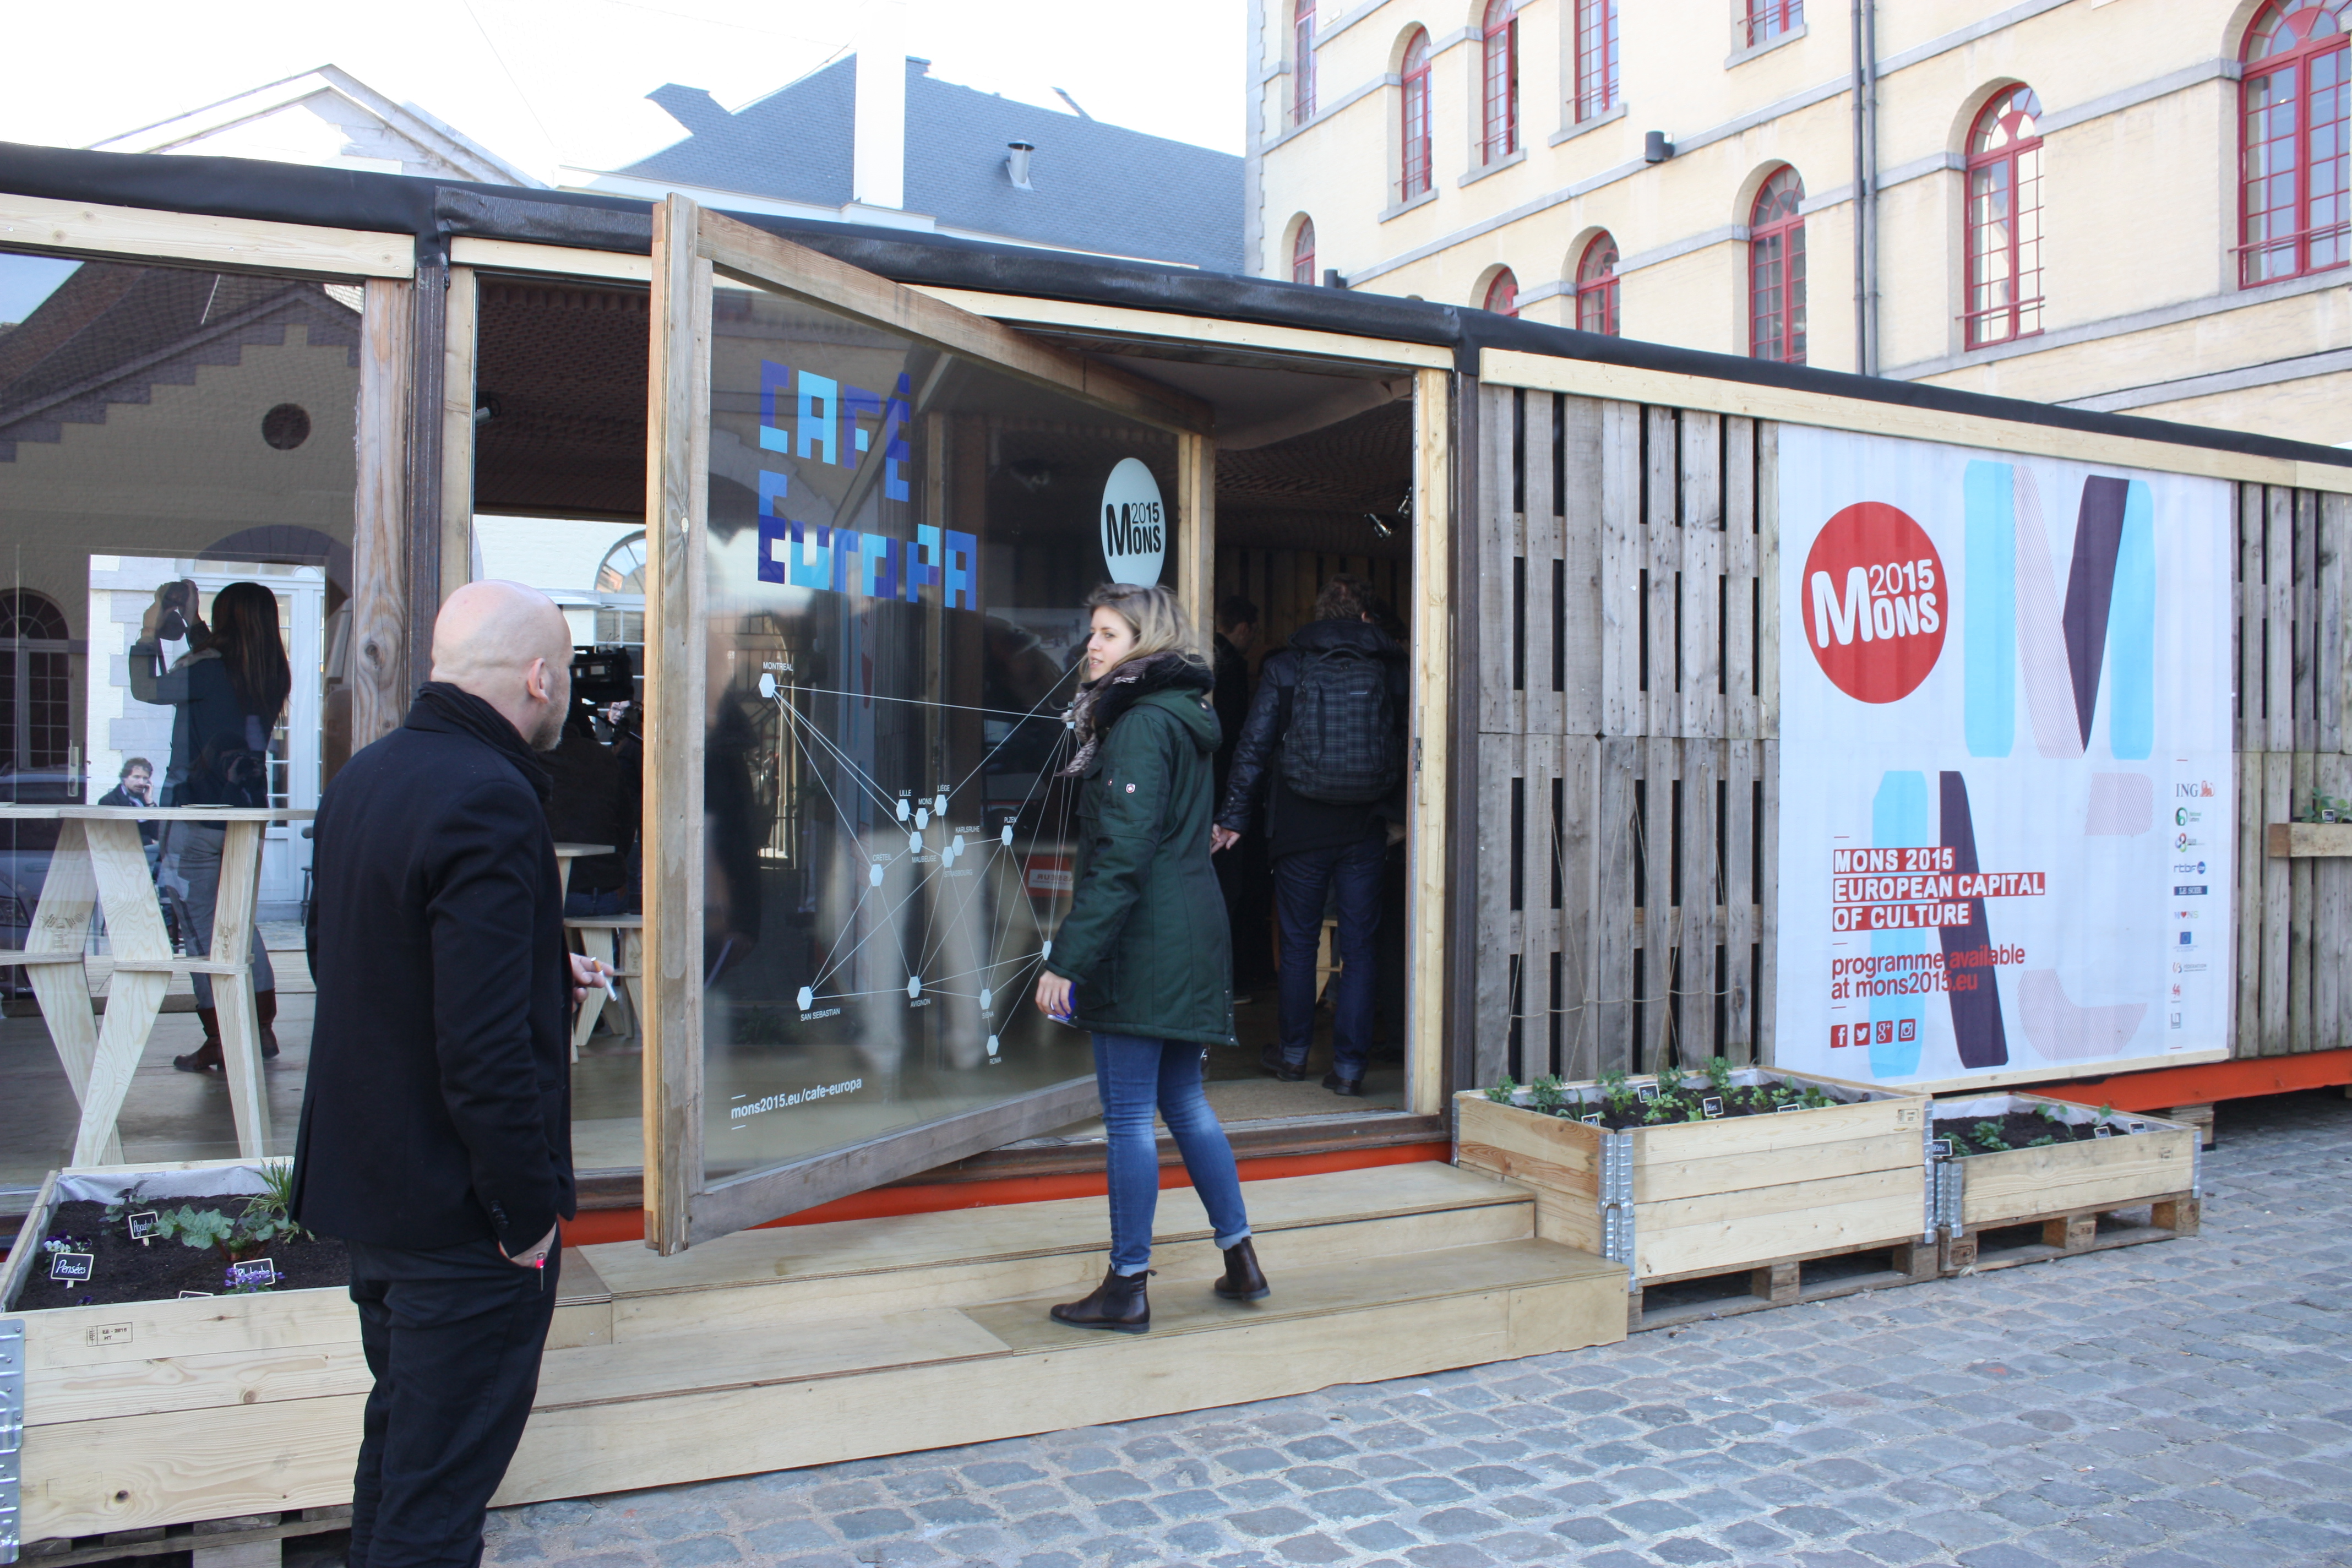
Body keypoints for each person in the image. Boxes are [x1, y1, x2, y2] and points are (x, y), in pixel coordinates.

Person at [291, 579, 607, 1568]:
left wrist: (531, 961)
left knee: (399, 1458)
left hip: (377, 1206)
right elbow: (482, 1055)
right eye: (565, 677)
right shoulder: (492, 794)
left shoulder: (366, 776)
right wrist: (525, 1217)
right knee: (434, 1505)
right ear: (539, 676)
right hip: (460, 1220)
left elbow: (343, 952)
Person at [1033, 582, 1268, 1332]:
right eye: (1093, 632)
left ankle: (1127, 1284)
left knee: (1131, 1117)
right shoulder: (1184, 713)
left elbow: (1123, 859)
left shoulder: (1138, 725)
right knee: (1185, 1104)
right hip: (1188, 926)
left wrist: (1067, 960)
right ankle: (1241, 1259)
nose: (1093, 647)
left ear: (1145, 642)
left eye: (1108, 634)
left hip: (1147, 939)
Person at [1212, 573, 1408, 1097]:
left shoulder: (1285, 666)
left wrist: (1233, 818)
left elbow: (1252, 748)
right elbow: (1415, 748)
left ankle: (1294, 1055)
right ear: (1367, 617)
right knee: (1360, 948)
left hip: (1299, 828)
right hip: (1365, 830)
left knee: (1298, 944)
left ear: (1320, 616)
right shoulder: (1394, 669)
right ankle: (1349, 1069)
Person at [127, 580, 290, 1071]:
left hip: (197, 814)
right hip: (246, 815)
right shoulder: (268, 673)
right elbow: (218, 663)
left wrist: (147, 632)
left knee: (201, 933)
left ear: (227, 622)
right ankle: (260, 1029)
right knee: (239, 924)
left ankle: (220, 1038)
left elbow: (146, 688)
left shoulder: (207, 670)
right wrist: (195, 624)